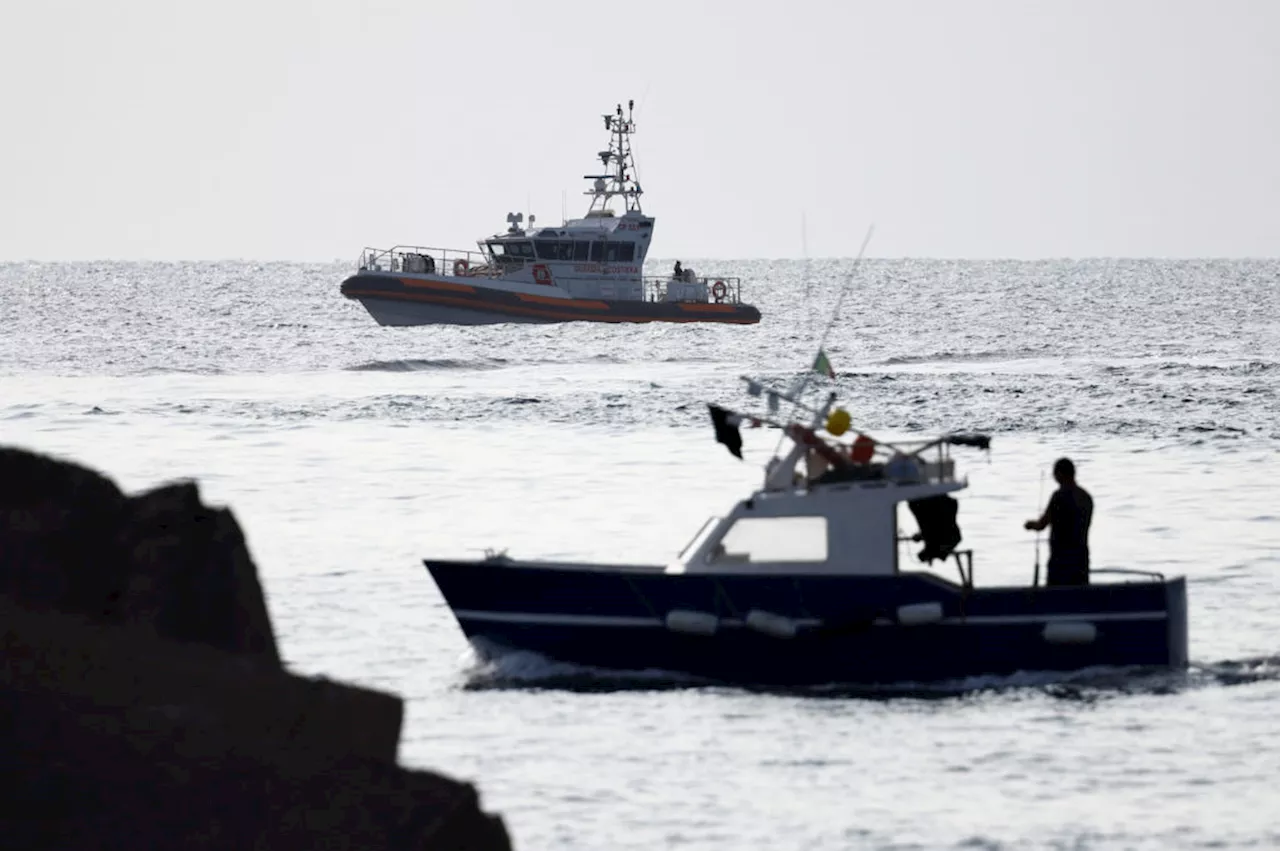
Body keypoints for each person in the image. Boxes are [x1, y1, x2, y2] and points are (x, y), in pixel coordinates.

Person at [1024, 457, 1094, 586]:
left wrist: (1029, 525)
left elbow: (1041, 524)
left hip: (1060, 559)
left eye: (1055, 473)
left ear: (1060, 473)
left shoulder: (1059, 496)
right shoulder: (1086, 497)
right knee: (1080, 599)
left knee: (1055, 599)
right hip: (1081, 558)